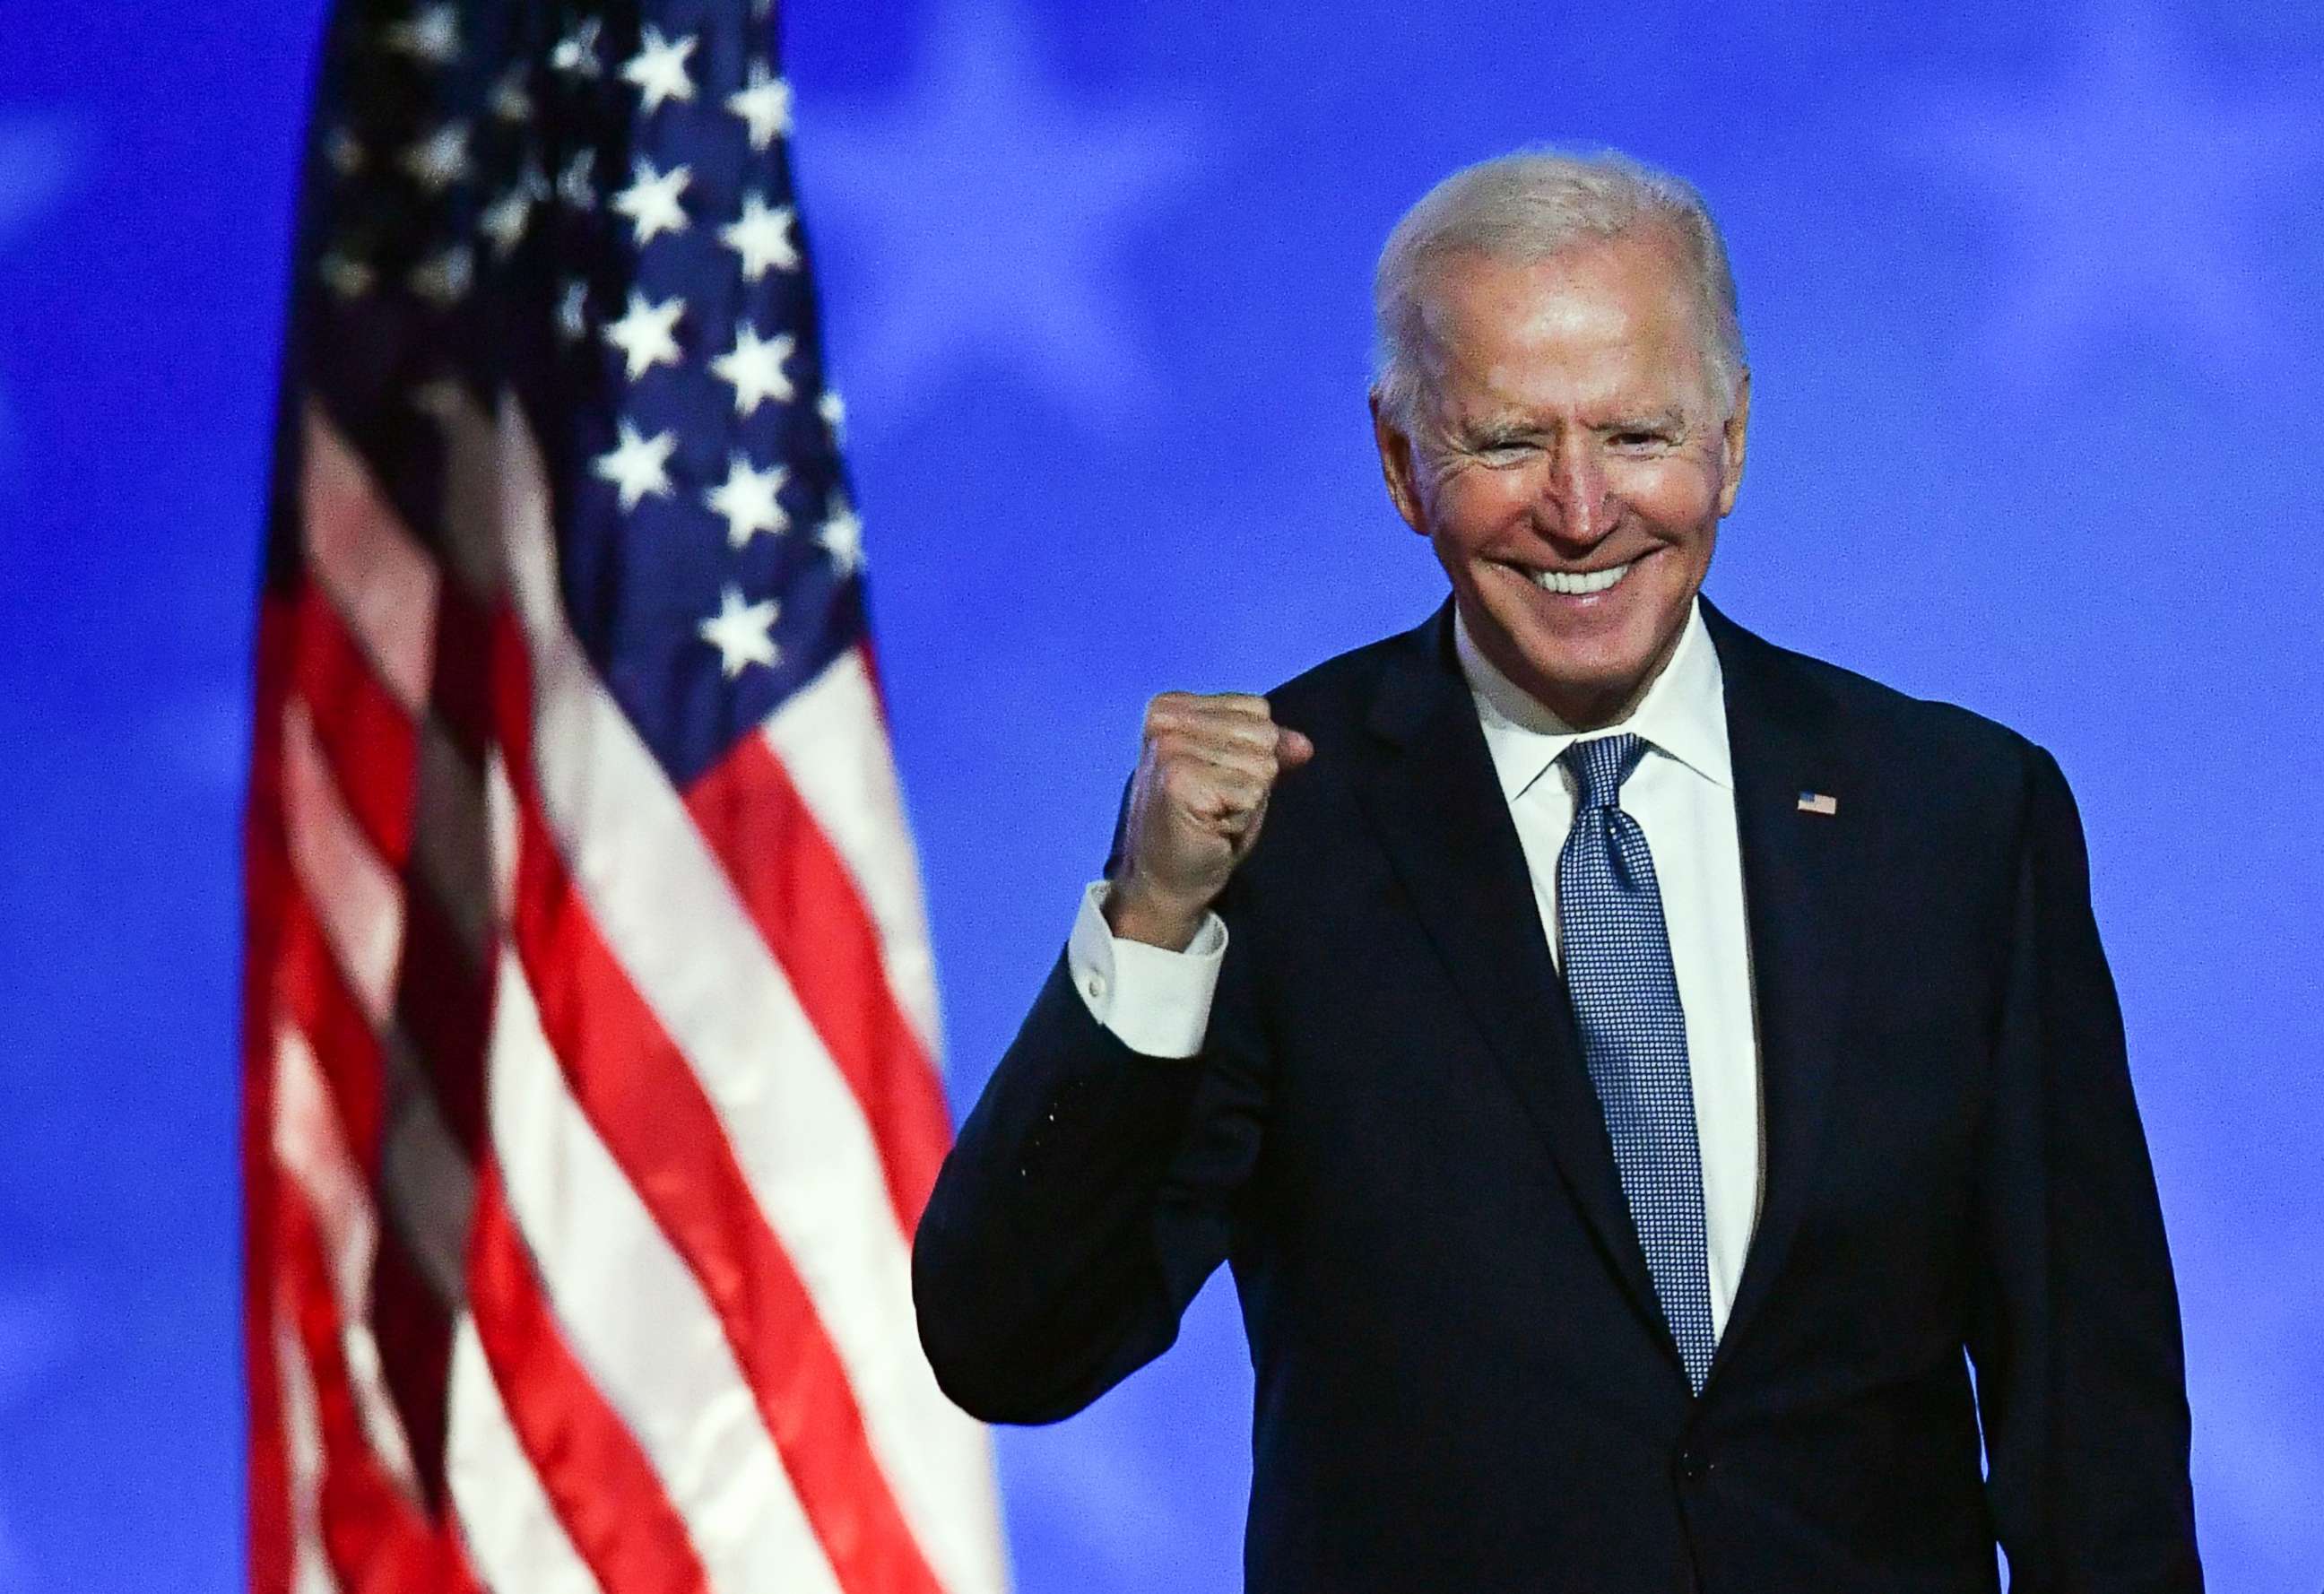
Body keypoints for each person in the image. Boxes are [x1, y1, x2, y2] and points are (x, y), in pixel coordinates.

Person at [911, 147, 2202, 1592]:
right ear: (1401, 461)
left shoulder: (1956, 816)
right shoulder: (1276, 829)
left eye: (1640, 433)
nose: (1582, 512)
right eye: (1510, 441)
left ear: (1732, 436)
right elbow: (1008, 1342)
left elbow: (2095, 1432)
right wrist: (1153, 921)